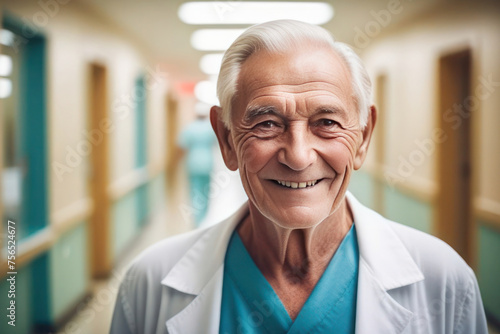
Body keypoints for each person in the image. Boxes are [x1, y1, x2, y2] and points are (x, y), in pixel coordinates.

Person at [110, 20, 487, 333]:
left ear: (363, 137)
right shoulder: (148, 284)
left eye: (326, 123)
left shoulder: (445, 280)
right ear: (226, 139)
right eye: (267, 123)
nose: (299, 155)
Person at [177, 103, 217, 225]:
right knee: (205, 190)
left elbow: (182, 145)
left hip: (193, 163)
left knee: (194, 190)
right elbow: (216, 144)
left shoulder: (189, 128)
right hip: (207, 163)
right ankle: (204, 216)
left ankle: (197, 219)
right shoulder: (210, 129)